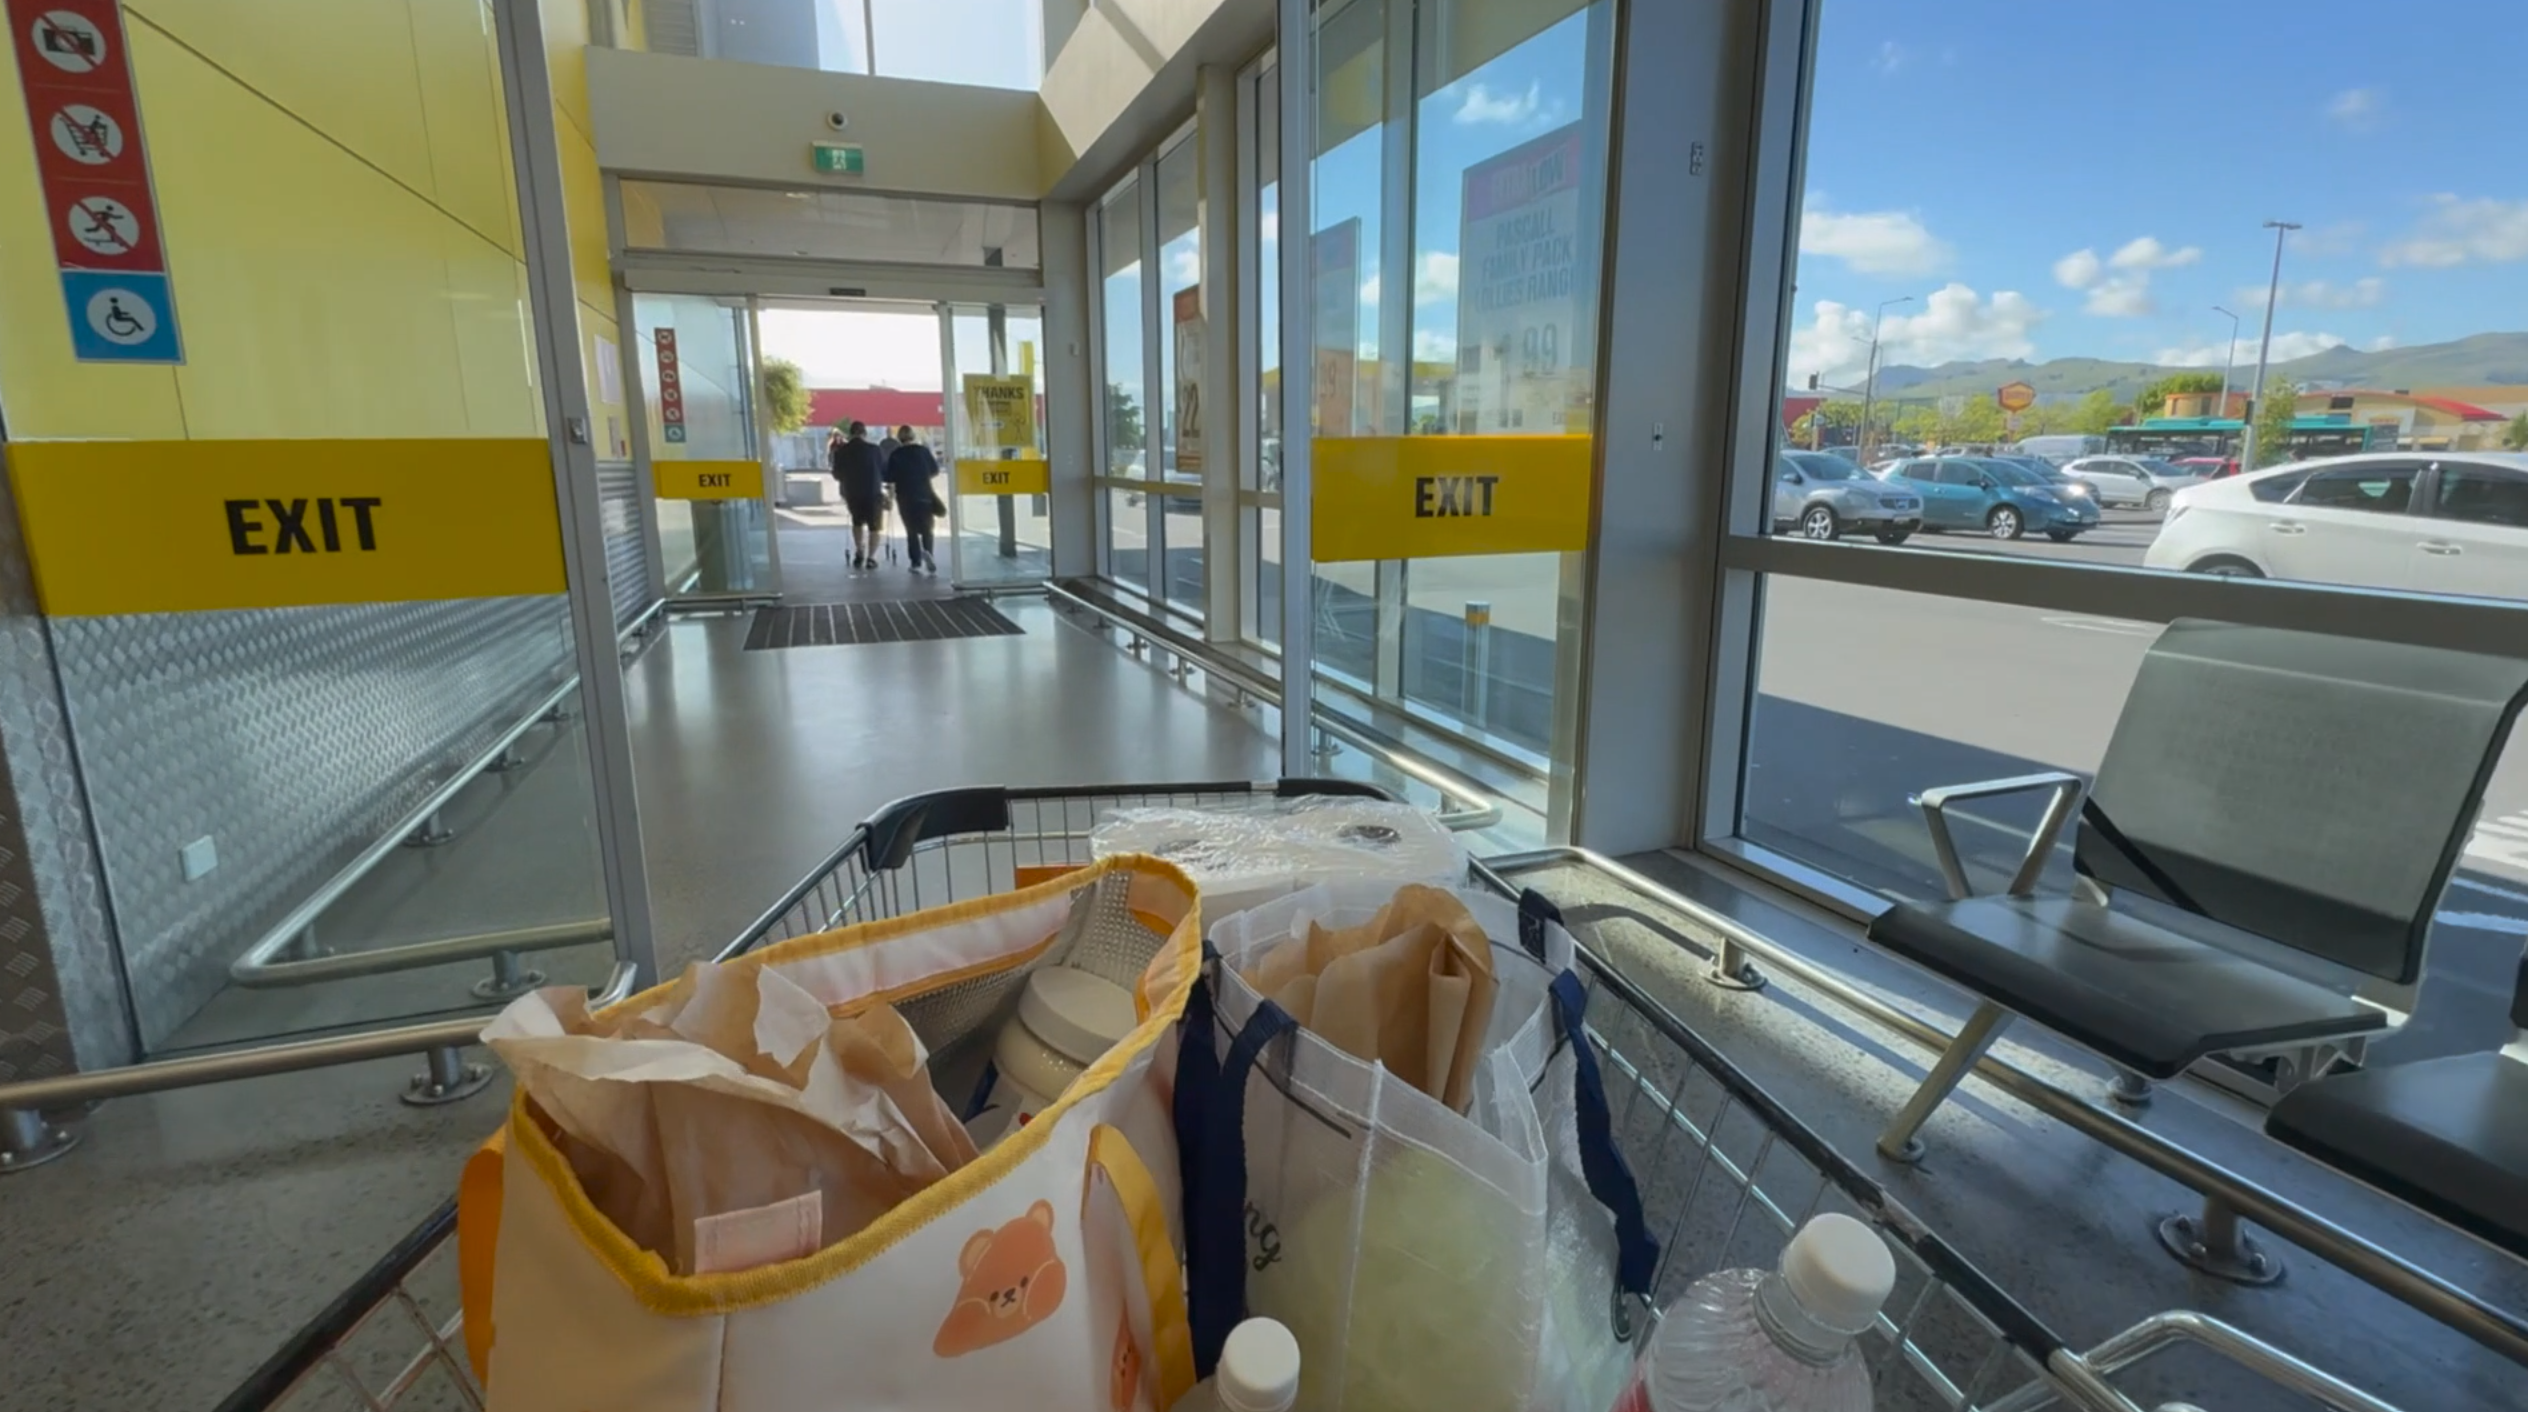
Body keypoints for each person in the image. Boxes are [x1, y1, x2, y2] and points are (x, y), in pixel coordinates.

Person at [884, 425, 945, 574]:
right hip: (924, 493)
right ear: (913, 436)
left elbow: (889, 477)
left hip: (905, 497)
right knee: (927, 529)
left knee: (911, 531)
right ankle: (928, 552)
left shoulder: (896, 454)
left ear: (899, 438)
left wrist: (890, 494)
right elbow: (934, 470)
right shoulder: (923, 451)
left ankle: (915, 562)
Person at [831, 421, 887, 569]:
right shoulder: (875, 450)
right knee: (874, 527)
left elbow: (837, 475)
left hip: (852, 493)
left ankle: (859, 550)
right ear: (865, 433)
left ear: (850, 433)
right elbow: (884, 471)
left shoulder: (841, 451)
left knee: (857, 523)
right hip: (872, 493)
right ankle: (871, 558)